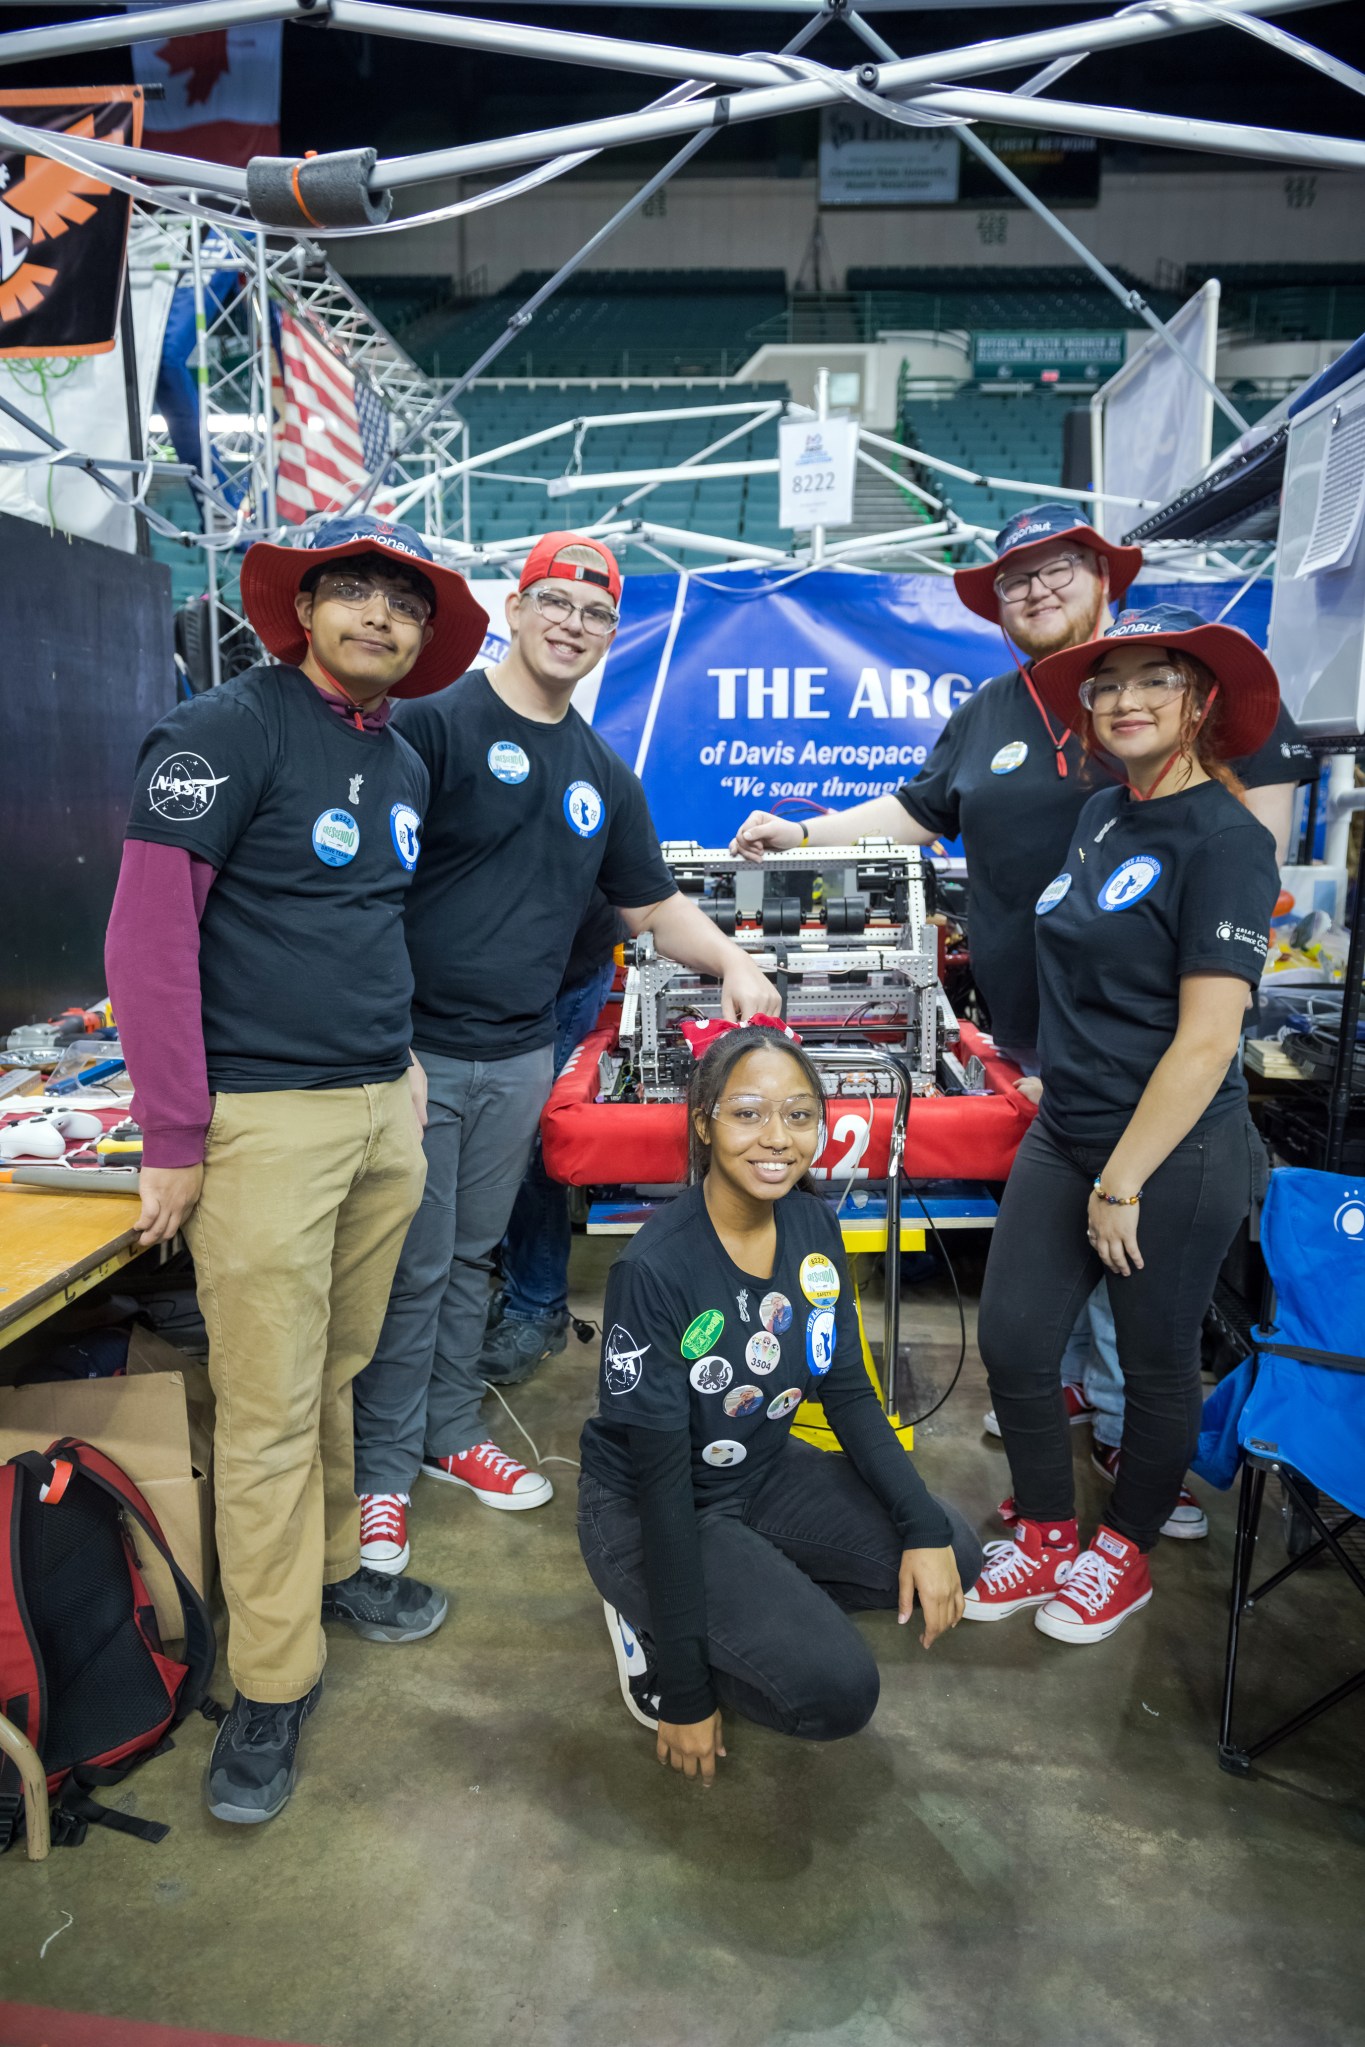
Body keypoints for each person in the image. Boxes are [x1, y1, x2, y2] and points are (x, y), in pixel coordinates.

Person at [729, 503, 1312, 1521]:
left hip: (1160, 1060)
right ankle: (1073, 1431)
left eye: (1060, 569)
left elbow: (1244, 885)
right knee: (1040, 1305)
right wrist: (803, 834)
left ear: (1107, 580)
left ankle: (1138, 1477)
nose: (1036, 589)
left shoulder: (1206, 784)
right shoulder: (1024, 736)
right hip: (1044, 1048)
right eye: (1016, 577)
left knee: (1144, 1306)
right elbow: (921, 811)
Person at [105, 515, 490, 1824]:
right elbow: (146, 937)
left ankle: (331, 1569)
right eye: (355, 591)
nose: (380, 615)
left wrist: (407, 1081)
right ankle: (271, 1678)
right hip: (264, 1123)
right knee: (267, 1411)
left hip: (387, 1101)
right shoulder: (224, 729)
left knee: (333, 1365)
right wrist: (171, 1133)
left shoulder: (390, 749)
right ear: (301, 606)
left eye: (403, 600)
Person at [352, 533, 779, 1575]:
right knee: (405, 1266)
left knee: (465, 1259)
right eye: (554, 602)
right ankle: (378, 1472)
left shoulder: (602, 774)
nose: (572, 626)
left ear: (610, 632)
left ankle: (449, 1429)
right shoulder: (431, 728)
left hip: (518, 1055)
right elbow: (358, 891)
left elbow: (651, 902)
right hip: (410, 1054)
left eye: (593, 614)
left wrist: (732, 962)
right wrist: (378, 1039)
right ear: (515, 603)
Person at [961, 604, 1280, 1642]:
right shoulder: (1103, 813)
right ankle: (1049, 1529)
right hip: (1071, 1127)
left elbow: (1206, 1041)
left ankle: (1127, 1547)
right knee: (1013, 1339)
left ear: (1201, 702)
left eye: (1155, 679)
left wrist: (1123, 1180)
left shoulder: (1228, 840)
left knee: (1150, 1368)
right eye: (1107, 683)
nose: (1125, 699)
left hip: (1171, 1154)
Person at [577, 1024, 982, 1781]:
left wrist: (920, 1525)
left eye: (798, 1114)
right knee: (835, 1691)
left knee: (952, 1550)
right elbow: (663, 1488)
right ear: (704, 1121)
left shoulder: (810, 1222)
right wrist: (685, 1691)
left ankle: (742, 1594)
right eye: (748, 1113)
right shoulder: (654, 1272)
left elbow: (848, 1389)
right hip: (650, 1507)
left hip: (759, 1470)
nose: (777, 1138)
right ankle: (652, 1624)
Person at [478, 890, 623, 1383]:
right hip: (483, 972)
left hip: (559, 970)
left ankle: (536, 1309)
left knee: (532, 1144)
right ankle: (516, 1287)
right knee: (491, 1142)